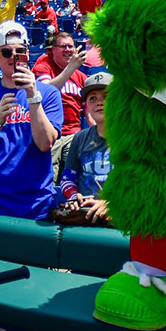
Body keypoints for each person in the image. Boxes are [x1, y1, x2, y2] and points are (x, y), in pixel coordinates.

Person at [0, 21, 63, 219]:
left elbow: (45, 143)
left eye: (19, 51)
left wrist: (33, 96)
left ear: (27, 54)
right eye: (6, 52)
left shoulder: (49, 93)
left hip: (35, 203)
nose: (13, 57)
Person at [56, 72, 115, 227]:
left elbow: (139, 183)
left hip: (119, 213)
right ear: (86, 106)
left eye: (107, 96)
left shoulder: (133, 138)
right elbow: (68, 179)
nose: (99, 102)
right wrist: (74, 196)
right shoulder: (80, 138)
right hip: (85, 214)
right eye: (92, 98)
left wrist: (111, 203)